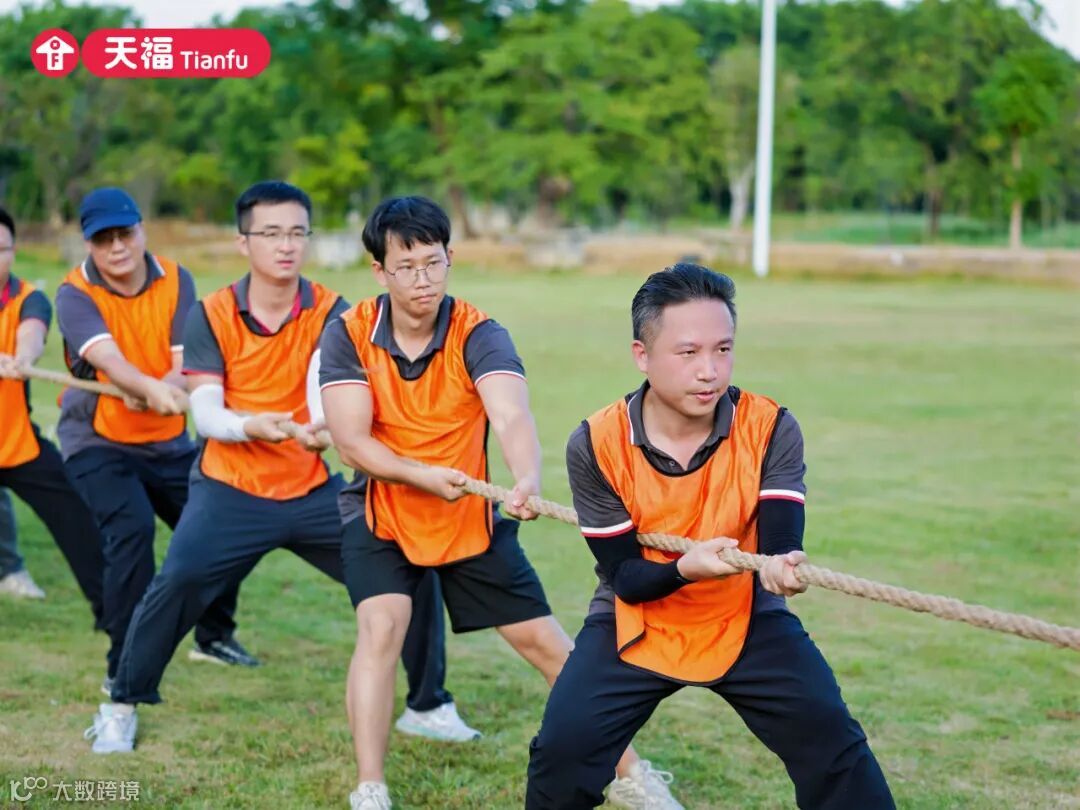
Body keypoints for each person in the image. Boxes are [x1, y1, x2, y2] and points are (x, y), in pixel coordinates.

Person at [320, 196, 682, 810]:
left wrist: (527, 477)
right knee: (381, 629)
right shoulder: (349, 333)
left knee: (547, 644)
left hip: (468, 516)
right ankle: (370, 787)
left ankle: (632, 775)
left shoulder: (479, 333)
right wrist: (420, 475)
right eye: (405, 267)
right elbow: (352, 442)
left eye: (433, 263)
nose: (422, 280)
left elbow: (511, 413)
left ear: (450, 258)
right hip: (382, 512)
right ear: (379, 271)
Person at [85, 181, 464, 755]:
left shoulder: (333, 310)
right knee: (178, 582)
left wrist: (321, 424)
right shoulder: (211, 312)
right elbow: (205, 412)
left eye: (296, 233)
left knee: (412, 567)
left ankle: (428, 705)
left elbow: (323, 381)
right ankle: (120, 702)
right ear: (244, 242)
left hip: (311, 489)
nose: (286, 245)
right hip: (229, 488)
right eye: (270, 233)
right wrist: (251, 426)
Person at [526, 264, 895, 809]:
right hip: (637, 619)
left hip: (743, 613)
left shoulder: (770, 426)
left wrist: (780, 564)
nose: (710, 371)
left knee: (834, 745)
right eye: (689, 352)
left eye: (723, 349)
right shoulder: (596, 442)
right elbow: (626, 577)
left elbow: (779, 535)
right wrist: (685, 568)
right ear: (642, 355)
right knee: (561, 753)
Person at [56, 188, 252, 699]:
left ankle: (214, 636)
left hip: (166, 443)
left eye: (125, 233)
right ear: (89, 244)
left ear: (141, 230)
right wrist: (144, 387)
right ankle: (122, 665)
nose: (117, 247)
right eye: (104, 239)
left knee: (217, 527)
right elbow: (109, 360)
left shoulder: (176, 279)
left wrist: (165, 386)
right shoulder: (74, 293)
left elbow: (184, 359)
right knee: (133, 531)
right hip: (97, 439)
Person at [0, 205, 104, 616]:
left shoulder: (30, 298)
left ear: (14, 251)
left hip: (16, 444)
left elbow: (34, 332)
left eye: (2, 248)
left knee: (77, 515)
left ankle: (116, 612)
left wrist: (22, 357)